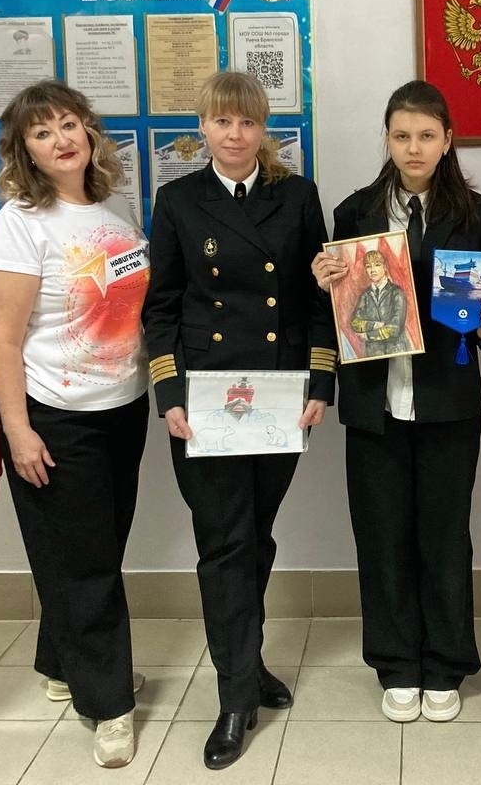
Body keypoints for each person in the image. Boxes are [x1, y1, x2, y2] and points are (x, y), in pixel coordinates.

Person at [141, 70, 336, 770]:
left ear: (263, 129)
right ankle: (233, 697)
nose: (234, 134)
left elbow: (319, 298)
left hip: (280, 395)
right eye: (222, 121)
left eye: (247, 122)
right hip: (207, 400)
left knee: (255, 536)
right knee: (225, 544)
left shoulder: (297, 196)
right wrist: (169, 394)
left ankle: (245, 661)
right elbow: (162, 306)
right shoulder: (178, 200)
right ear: (202, 127)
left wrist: (321, 381)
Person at [311, 79, 481, 723]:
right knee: (382, 536)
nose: (414, 147)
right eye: (402, 136)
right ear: (387, 140)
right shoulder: (354, 213)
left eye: (427, 135)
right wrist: (324, 283)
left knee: (446, 537)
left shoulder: (477, 214)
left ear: (448, 140)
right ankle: (396, 663)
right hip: (375, 404)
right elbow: (337, 315)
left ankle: (446, 662)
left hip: (448, 404)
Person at [0, 80, 150, 769]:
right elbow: (2, 340)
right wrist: (18, 431)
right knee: (86, 567)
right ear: (25, 150)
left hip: (123, 407)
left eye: (69, 124)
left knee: (94, 552)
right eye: (42, 132)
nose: (61, 140)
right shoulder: (21, 222)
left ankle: (63, 662)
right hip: (56, 415)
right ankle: (108, 704)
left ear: (89, 130)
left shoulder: (115, 208)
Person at [350, 249, 411, 357]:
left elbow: (395, 328)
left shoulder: (397, 292)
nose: (372, 270)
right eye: (368, 266)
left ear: (385, 267)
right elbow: (355, 323)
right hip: (372, 354)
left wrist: (368, 335)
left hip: (397, 352)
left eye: (377, 265)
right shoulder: (365, 295)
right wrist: (375, 325)